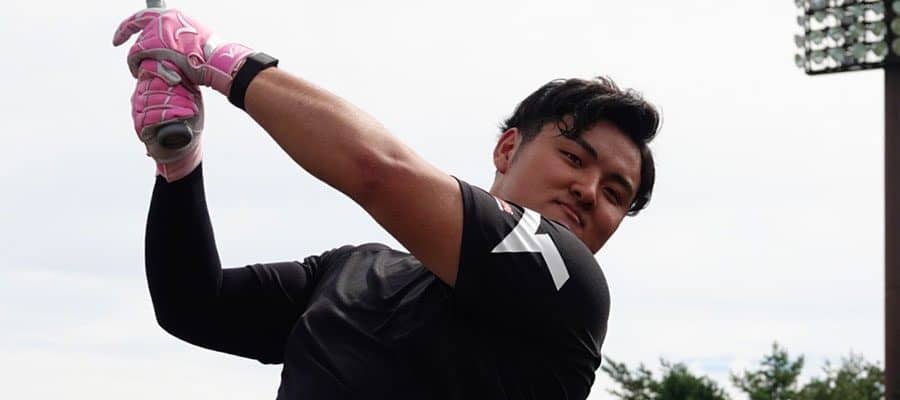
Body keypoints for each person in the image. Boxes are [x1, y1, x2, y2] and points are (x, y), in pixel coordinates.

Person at [113, 7, 660, 400]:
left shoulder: (570, 282)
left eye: (615, 193)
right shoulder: (352, 270)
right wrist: (177, 161)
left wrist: (214, 59)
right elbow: (193, 305)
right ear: (507, 148)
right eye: (574, 158)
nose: (589, 191)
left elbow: (377, 170)